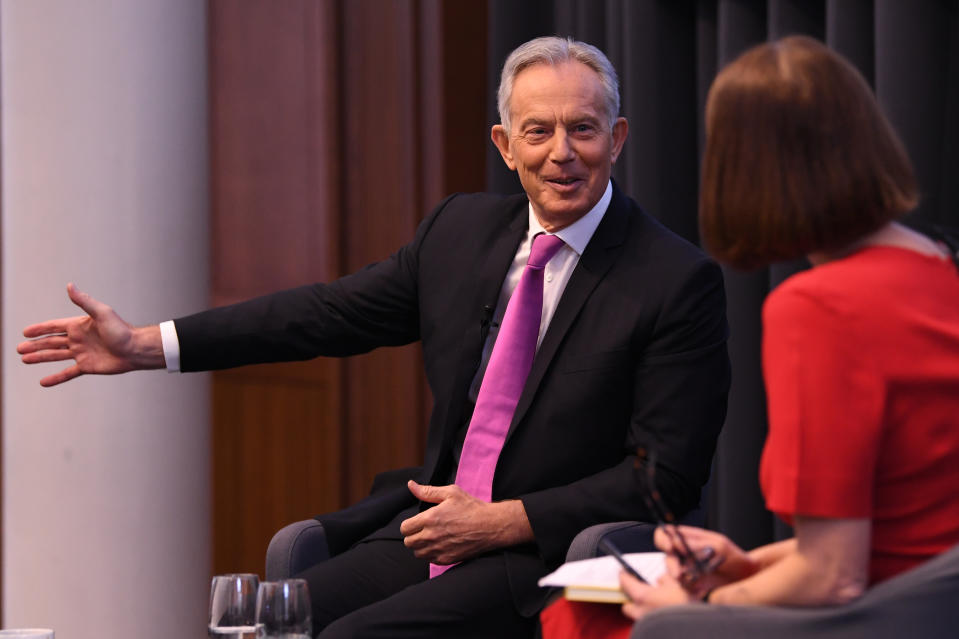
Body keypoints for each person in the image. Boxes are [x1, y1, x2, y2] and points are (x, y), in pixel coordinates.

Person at [18, 36, 730, 638]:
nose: (562, 154)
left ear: (618, 137)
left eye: (583, 128)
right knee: (275, 618)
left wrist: (501, 522)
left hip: (550, 549)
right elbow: (323, 313)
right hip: (433, 524)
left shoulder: (672, 278)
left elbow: (662, 477)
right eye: (538, 132)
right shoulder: (459, 232)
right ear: (505, 146)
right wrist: (149, 345)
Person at [541, 34, 959, 638]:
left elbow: (834, 574)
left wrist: (692, 613)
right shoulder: (939, 266)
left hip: (879, 614)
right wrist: (749, 567)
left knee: (584, 620)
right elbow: (899, 527)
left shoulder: (819, 307)